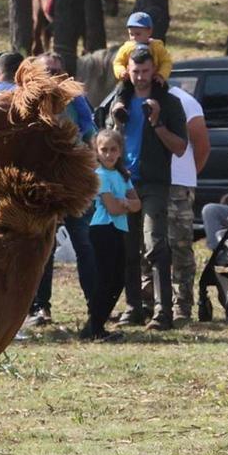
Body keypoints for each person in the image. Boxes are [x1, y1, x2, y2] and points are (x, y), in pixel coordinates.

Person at [105, 46, 187, 331]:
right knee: (128, 249)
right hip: (125, 182)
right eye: (135, 71)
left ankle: (163, 311)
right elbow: (104, 142)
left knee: (155, 244)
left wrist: (157, 122)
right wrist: (115, 120)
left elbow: (180, 147)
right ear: (127, 71)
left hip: (153, 183)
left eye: (145, 71)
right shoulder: (120, 98)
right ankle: (133, 307)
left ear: (155, 71)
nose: (140, 77)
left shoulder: (169, 102)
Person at [22, 53, 97, 328]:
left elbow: (91, 135)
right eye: (47, 71)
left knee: (85, 244)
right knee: (44, 247)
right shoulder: (28, 102)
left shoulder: (76, 100)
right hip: (41, 182)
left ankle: (95, 305)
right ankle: (40, 308)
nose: (52, 76)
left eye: (56, 71)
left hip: (72, 181)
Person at [80, 129, 141, 341]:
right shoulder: (100, 176)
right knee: (106, 280)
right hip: (103, 229)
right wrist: (126, 204)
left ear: (120, 151)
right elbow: (113, 208)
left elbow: (137, 203)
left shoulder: (123, 175)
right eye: (103, 150)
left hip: (118, 229)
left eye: (113, 150)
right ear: (96, 152)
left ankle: (96, 325)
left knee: (117, 280)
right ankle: (94, 327)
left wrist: (126, 203)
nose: (108, 154)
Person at [165, 83, 210, 322]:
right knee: (148, 247)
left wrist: (187, 177)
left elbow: (202, 147)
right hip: (146, 184)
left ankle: (182, 305)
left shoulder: (184, 101)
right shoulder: (131, 96)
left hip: (178, 185)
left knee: (180, 246)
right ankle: (148, 303)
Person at [110, 12, 174, 110]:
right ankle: (121, 107)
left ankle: (153, 105)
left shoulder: (157, 47)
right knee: (122, 89)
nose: (134, 38)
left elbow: (166, 62)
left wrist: (161, 75)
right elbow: (118, 62)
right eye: (131, 34)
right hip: (131, 79)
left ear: (149, 32)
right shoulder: (127, 47)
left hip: (154, 78)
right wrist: (121, 72)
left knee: (161, 89)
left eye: (138, 34)